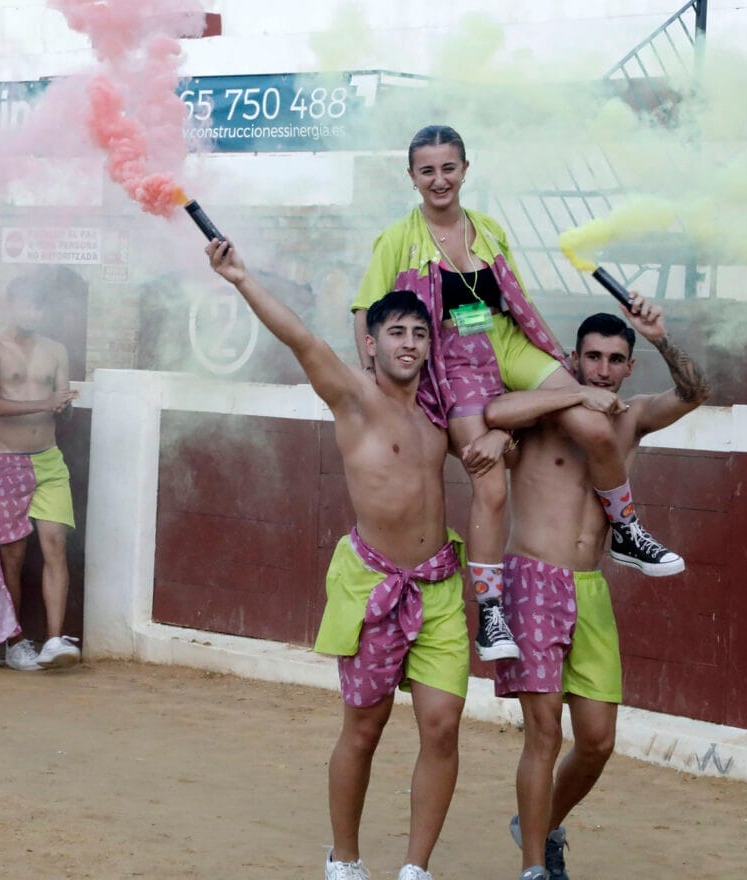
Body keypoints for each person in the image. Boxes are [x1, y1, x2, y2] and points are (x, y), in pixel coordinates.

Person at [353, 124, 683, 666]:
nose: (440, 179)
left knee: (593, 422)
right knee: (490, 481)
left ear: (465, 169)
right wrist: (375, 380)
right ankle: (489, 611)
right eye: (428, 170)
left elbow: (516, 302)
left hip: (506, 343)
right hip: (453, 358)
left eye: (449, 167)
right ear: (412, 178)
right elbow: (368, 312)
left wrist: (550, 374)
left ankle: (625, 530)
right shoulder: (396, 239)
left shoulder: (488, 229)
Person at [207, 239, 467, 880]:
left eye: (418, 333)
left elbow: (491, 342)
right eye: (395, 332)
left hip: (438, 583)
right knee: (364, 728)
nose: (409, 343)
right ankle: (345, 859)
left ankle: (415, 868)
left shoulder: (440, 414)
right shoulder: (352, 396)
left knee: (442, 725)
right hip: (376, 582)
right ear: (371, 343)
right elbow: (301, 338)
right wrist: (243, 278)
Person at [484, 298, 709, 880]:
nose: (602, 369)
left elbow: (694, 392)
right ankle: (534, 867)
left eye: (614, 359)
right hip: (532, 578)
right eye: (592, 357)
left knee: (597, 742)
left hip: (591, 589)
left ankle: (539, 826)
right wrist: (571, 394)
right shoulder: (546, 409)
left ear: (629, 368)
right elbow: (494, 410)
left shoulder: (629, 417)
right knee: (542, 732)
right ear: (573, 358)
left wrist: (659, 337)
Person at [0, 277, 81, 671]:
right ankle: (15, 641)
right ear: (12, 305)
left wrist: (63, 407)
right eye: (27, 305)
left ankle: (53, 639)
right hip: (5, 459)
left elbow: (61, 404)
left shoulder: (56, 350)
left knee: (56, 545)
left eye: (39, 307)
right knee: (12, 557)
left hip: (49, 458)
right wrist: (47, 401)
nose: (33, 313)